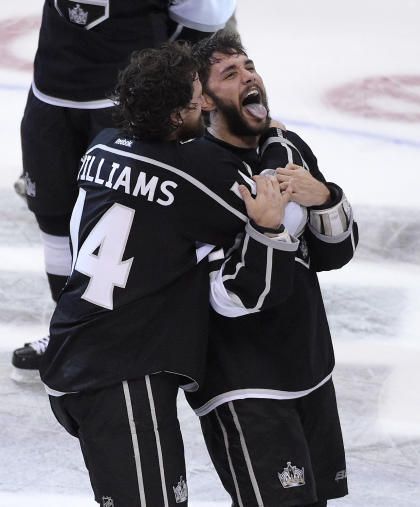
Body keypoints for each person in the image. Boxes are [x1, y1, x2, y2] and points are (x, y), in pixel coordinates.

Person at [39, 42, 300, 506]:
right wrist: (276, 145)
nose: (204, 101)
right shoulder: (194, 176)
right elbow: (270, 206)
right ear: (178, 114)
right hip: (121, 375)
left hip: (75, 352)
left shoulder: (100, 146)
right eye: (197, 94)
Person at [12, 0, 237, 379]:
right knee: (51, 212)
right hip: (51, 89)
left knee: (128, 217)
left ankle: (128, 334)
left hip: (125, 100)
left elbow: (206, 17)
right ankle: (65, 332)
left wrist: (166, 88)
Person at [184, 30, 359, 507]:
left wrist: (325, 198)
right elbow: (231, 296)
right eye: (230, 73)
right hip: (241, 383)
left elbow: (335, 255)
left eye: (248, 66)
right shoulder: (196, 172)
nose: (249, 76)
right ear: (203, 97)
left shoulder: (288, 146)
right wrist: (269, 229)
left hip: (308, 366)